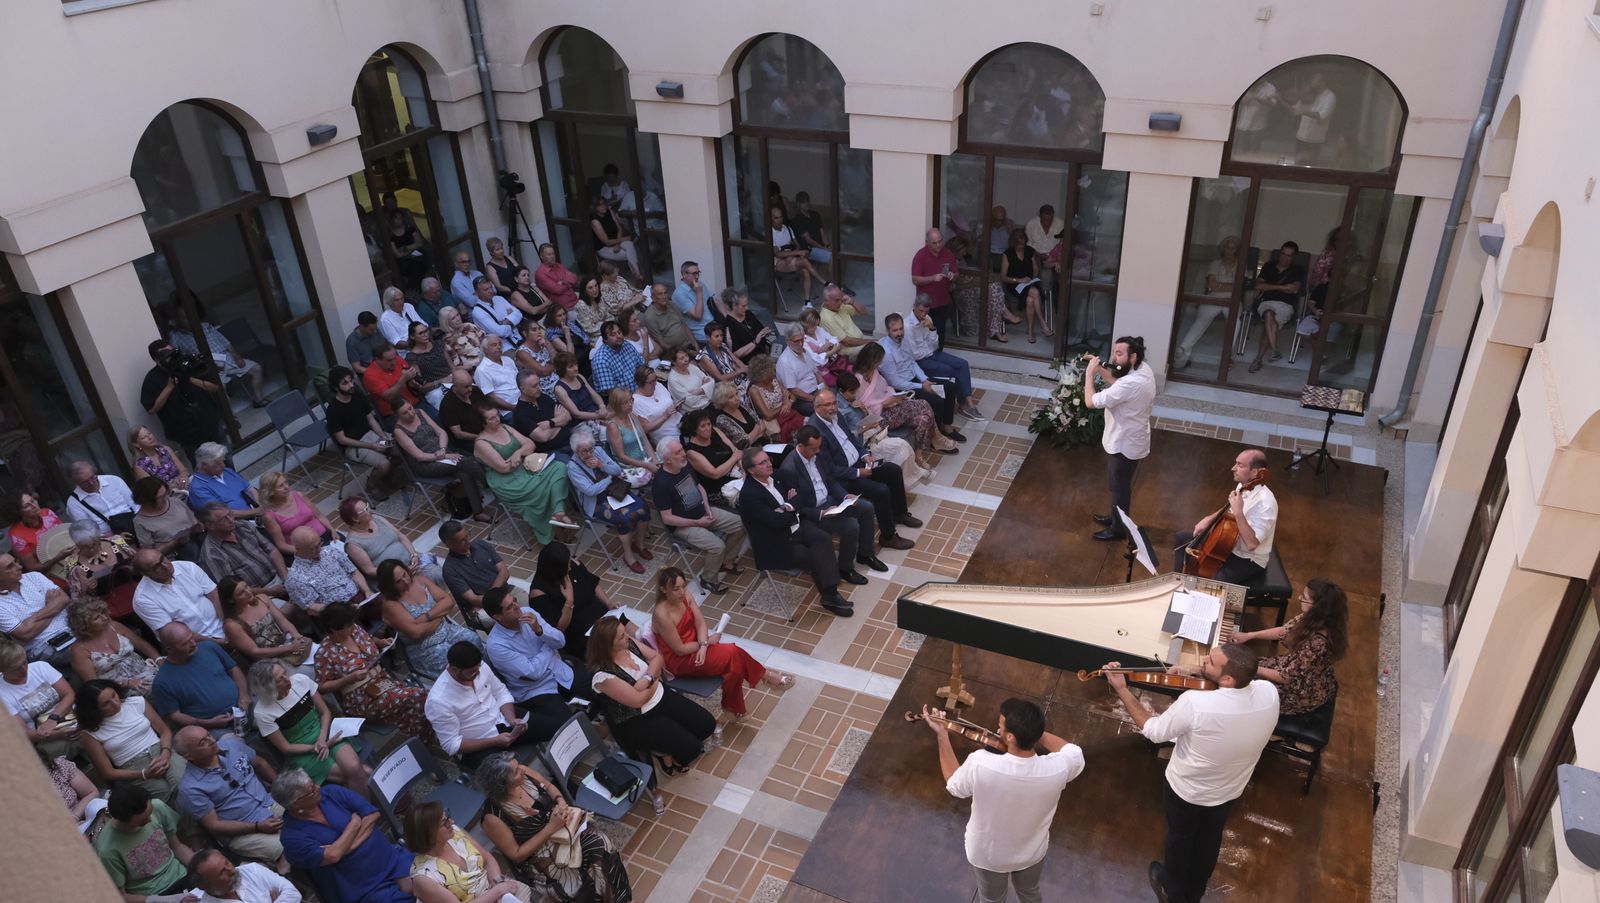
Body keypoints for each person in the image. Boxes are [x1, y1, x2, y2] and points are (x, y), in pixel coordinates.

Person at [1103, 644, 1279, 903]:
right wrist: (1200, 671)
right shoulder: (1269, 693)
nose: (1203, 662)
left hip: (1187, 790)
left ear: (1228, 679)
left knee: (1180, 838)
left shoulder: (1196, 703)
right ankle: (1194, 892)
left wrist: (1122, 689)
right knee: (1209, 839)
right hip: (1230, 789)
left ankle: (1171, 890)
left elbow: (1154, 731)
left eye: (1209, 662)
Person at [923, 698, 1084, 903]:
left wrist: (942, 736)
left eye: (999, 726)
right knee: (1030, 894)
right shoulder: (1058, 768)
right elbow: (1072, 751)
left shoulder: (981, 763)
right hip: (1031, 853)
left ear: (1010, 736)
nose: (995, 729)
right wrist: (1034, 733)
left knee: (992, 900)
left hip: (989, 856)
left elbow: (955, 786)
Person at [474, 752, 634, 901]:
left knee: (601, 844)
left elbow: (549, 787)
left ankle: (618, 897)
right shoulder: (492, 817)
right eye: (515, 772)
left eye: (518, 766)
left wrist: (561, 802)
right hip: (540, 854)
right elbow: (516, 855)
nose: (521, 771)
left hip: (564, 828)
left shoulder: (524, 772)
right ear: (502, 784)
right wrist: (550, 828)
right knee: (577, 881)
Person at [651, 567, 792, 721]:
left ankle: (733, 706)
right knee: (732, 652)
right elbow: (679, 649)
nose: (682, 592)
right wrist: (705, 643)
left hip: (698, 645)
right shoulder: (661, 614)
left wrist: (704, 645)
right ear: (663, 589)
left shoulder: (686, 596)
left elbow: (700, 623)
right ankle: (766, 677)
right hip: (681, 660)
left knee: (734, 664)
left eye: (683, 586)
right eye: (676, 589)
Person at [740, 447, 853, 616]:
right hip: (775, 541)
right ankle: (830, 596)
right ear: (751, 470)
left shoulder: (777, 476)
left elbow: (805, 494)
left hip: (795, 526)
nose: (769, 464)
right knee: (812, 555)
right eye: (762, 463)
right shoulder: (749, 495)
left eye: (768, 459)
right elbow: (775, 522)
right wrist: (793, 506)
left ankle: (830, 595)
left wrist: (787, 506)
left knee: (822, 539)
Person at [273, 770, 415, 903]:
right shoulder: (292, 837)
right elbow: (333, 856)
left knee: (429, 880)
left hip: (390, 858)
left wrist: (343, 848)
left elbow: (372, 814)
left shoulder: (331, 793)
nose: (317, 787)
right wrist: (354, 824)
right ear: (295, 803)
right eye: (311, 790)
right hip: (361, 886)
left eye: (313, 783)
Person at [809, 390, 920, 549]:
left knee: (893, 470)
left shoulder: (837, 416)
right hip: (845, 478)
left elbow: (852, 439)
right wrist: (857, 473)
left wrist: (865, 455)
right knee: (880, 490)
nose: (833, 407)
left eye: (834, 403)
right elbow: (829, 470)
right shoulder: (815, 432)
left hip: (859, 464)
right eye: (828, 405)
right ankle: (888, 536)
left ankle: (899, 513)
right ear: (818, 408)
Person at [776, 424, 885, 576]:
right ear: (801, 446)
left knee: (866, 508)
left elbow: (830, 480)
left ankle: (865, 554)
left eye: (819, 447)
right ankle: (845, 569)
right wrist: (821, 514)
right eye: (814, 448)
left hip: (831, 499)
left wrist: (845, 496)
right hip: (815, 512)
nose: (818, 451)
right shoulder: (789, 469)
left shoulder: (816, 455)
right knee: (851, 526)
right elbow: (796, 506)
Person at [248, 660, 369, 796]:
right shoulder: (262, 712)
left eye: (285, 673)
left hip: (325, 733)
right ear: (268, 687)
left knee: (353, 767)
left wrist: (323, 740)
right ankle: (369, 811)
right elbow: (286, 748)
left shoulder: (301, 680)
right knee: (360, 773)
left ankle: (365, 810)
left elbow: (325, 712)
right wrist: (316, 747)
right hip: (302, 751)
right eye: (279, 680)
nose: (287, 679)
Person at [314, 603, 432, 739]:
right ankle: (431, 738)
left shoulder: (355, 630)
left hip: (384, 682)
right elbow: (322, 687)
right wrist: (350, 678)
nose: (353, 626)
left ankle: (425, 739)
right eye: (349, 625)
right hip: (363, 698)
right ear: (334, 630)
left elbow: (369, 639)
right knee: (420, 697)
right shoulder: (324, 653)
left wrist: (382, 642)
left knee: (415, 708)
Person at [1231, 578, 1348, 715]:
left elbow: (1286, 677)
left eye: (1304, 598)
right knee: (1239, 668)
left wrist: (1252, 668)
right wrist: (1250, 635)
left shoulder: (1318, 643)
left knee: (1239, 684)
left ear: (1317, 606)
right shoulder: (1314, 617)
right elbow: (1285, 631)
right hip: (1294, 669)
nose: (1299, 599)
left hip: (1300, 690)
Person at [175, 726, 286, 867]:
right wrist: (257, 827)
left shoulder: (231, 746)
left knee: (310, 812)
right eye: (202, 742)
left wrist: (283, 790)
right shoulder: (190, 788)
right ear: (188, 756)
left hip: (269, 803)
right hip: (245, 831)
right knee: (288, 846)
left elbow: (260, 763)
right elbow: (214, 825)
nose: (211, 740)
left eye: (208, 735)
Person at [1083, 336, 1158, 541]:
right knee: (1118, 485)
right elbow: (1117, 382)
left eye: (1119, 354)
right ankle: (1115, 517)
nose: (1114, 358)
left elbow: (1090, 401)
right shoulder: (1144, 369)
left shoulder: (1130, 384)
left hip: (1124, 443)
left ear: (1132, 356)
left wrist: (1089, 375)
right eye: (1114, 352)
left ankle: (1118, 528)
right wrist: (1099, 369)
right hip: (1132, 437)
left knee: (1119, 487)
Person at [483, 587, 580, 741]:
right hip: (536, 690)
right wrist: (548, 646)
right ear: (497, 617)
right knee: (567, 726)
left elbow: (560, 641)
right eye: (510, 607)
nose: (517, 606)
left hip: (559, 671)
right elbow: (533, 673)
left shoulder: (528, 612)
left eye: (514, 600)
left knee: (600, 684)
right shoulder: (496, 645)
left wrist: (540, 630)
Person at [652, 439, 745, 595]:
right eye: (678, 452)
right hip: (684, 525)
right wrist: (697, 522)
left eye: (682, 449)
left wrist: (708, 509)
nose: (683, 454)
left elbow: (699, 487)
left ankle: (726, 562)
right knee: (717, 547)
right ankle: (708, 579)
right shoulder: (661, 484)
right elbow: (667, 518)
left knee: (740, 524)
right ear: (667, 459)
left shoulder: (684, 465)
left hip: (703, 513)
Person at [474, 403, 576, 545]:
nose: (497, 419)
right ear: (482, 422)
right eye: (491, 418)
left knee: (559, 467)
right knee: (543, 489)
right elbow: (503, 468)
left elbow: (530, 444)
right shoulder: (481, 443)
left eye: (497, 415)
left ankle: (558, 512)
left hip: (525, 470)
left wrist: (518, 453)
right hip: (507, 481)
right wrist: (522, 454)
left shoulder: (506, 427)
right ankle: (554, 530)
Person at [1173, 449, 1278, 586]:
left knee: (1211, 584)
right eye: (1236, 463)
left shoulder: (1266, 504)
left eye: (1240, 465)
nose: (1233, 468)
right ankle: (1178, 584)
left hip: (1248, 558)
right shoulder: (1244, 484)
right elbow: (1229, 509)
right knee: (1182, 538)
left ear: (1255, 472)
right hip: (1229, 545)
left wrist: (1239, 512)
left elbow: (1252, 544)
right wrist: (1209, 518)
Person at [425, 640, 538, 767]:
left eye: (478, 667)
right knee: (507, 771)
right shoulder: (438, 701)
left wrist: (512, 719)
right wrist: (494, 741)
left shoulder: (480, 667)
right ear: (455, 669)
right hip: (478, 746)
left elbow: (500, 692)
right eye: (472, 671)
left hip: (503, 721)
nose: (478, 672)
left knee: (550, 726)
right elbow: (451, 745)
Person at [75, 678, 186, 801]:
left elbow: (165, 732)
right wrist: (143, 774)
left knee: (181, 783)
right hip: (133, 767)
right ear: (94, 709)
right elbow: (107, 772)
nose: (115, 703)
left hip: (160, 749)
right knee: (164, 795)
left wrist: (165, 753)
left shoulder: (136, 703)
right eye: (106, 703)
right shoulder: (90, 733)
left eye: (114, 695)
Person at [403, 801, 532, 903]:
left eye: (448, 817)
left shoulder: (455, 833)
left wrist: (499, 884)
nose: (452, 822)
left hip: (493, 887)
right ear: (429, 835)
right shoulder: (424, 878)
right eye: (444, 823)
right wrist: (496, 892)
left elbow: (487, 859)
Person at [392, 398, 494, 523]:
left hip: (443, 453)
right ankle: (494, 487)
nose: (411, 413)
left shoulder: (420, 412)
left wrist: (443, 449)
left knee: (464, 472)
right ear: (397, 415)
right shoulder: (399, 431)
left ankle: (478, 513)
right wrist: (442, 456)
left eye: (410, 408)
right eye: (405, 413)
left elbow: (441, 432)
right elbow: (419, 456)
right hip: (426, 464)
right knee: (465, 462)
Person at [95, 782, 197, 903]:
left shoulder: (157, 807)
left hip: (182, 877)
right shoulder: (107, 850)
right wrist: (166, 900)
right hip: (153, 896)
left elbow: (178, 847)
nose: (149, 820)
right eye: (142, 821)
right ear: (123, 820)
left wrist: (201, 864)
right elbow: (122, 896)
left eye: (150, 813)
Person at [380, 559, 481, 681]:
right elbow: (416, 633)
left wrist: (426, 617)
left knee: (472, 638)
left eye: (404, 575)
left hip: (447, 630)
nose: (405, 581)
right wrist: (440, 614)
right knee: (452, 660)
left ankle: (484, 677)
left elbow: (448, 601)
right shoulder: (391, 604)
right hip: (425, 647)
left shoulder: (420, 580)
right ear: (390, 586)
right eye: (398, 581)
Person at [566, 431, 651, 574]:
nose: (588, 453)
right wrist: (608, 479)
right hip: (596, 502)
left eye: (590, 449)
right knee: (625, 518)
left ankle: (640, 544)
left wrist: (601, 465)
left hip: (615, 491)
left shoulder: (598, 451)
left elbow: (617, 470)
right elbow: (590, 490)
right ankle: (628, 556)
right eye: (584, 451)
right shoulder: (572, 467)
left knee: (643, 506)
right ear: (576, 450)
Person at [854, 342, 958, 456]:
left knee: (923, 419)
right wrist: (883, 403)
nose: (880, 363)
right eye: (879, 360)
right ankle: (938, 438)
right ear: (872, 360)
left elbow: (887, 389)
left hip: (891, 409)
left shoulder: (875, 372)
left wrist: (894, 398)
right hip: (878, 418)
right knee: (923, 403)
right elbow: (864, 405)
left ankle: (919, 454)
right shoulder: (858, 379)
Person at [527, 540, 622, 660]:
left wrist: (609, 602)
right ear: (556, 568)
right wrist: (569, 601)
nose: (569, 566)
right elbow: (558, 630)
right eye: (566, 564)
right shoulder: (539, 593)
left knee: (629, 630)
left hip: (602, 615)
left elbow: (593, 584)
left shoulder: (574, 565)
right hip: (581, 635)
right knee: (618, 645)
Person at [141, 337, 227, 465]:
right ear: (156, 359)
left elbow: (215, 387)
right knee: (203, 467)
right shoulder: (152, 379)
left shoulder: (188, 365)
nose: (170, 357)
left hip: (211, 421)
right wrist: (169, 387)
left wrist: (189, 378)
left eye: (171, 352)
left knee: (226, 458)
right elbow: (151, 409)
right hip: (187, 434)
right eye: (165, 354)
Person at [149, 623, 249, 732]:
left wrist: (244, 695)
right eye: (184, 644)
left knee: (268, 716)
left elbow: (233, 669)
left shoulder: (209, 647)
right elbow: (175, 715)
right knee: (232, 747)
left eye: (192, 638)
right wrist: (208, 723)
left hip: (242, 707)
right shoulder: (162, 682)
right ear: (169, 649)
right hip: (211, 727)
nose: (193, 644)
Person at [876, 314, 963, 438]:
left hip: (916, 380)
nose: (899, 333)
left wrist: (925, 380)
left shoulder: (904, 341)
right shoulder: (886, 352)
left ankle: (947, 426)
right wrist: (922, 387)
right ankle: (936, 437)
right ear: (888, 331)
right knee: (936, 399)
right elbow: (895, 382)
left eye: (901, 329)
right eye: (895, 330)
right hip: (902, 388)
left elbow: (913, 363)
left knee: (949, 387)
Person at [900, 297, 984, 420]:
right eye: (921, 311)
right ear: (914, 307)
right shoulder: (907, 326)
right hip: (920, 361)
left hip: (933, 354)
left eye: (926, 312)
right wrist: (929, 350)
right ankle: (963, 405)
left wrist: (932, 328)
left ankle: (968, 404)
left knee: (962, 364)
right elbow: (915, 354)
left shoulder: (927, 319)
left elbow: (935, 345)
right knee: (952, 370)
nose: (923, 315)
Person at [324, 365, 398, 500]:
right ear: (336, 387)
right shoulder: (333, 410)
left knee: (398, 449)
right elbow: (342, 440)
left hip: (370, 435)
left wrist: (383, 436)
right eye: (345, 383)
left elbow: (370, 418)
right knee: (384, 464)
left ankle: (390, 477)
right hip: (354, 446)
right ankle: (372, 484)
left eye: (351, 380)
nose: (351, 385)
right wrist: (371, 446)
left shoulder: (357, 394)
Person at [339, 497, 444, 584]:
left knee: (438, 574)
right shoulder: (353, 544)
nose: (369, 509)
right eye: (365, 510)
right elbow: (369, 570)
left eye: (367, 505)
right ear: (355, 519)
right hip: (394, 578)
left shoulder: (377, 519)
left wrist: (414, 554)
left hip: (412, 563)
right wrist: (400, 571)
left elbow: (400, 535)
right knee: (422, 586)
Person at [1174, 237, 1241, 370]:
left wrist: (1221, 285)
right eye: (1228, 247)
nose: (1230, 251)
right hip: (1214, 297)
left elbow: (1239, 287)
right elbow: (1212, 285)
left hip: (1232, 300)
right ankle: (1183, 350)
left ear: (1237, 250)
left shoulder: (1241, 265)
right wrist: (1229, 286)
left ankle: (1226, 357)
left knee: (1235, 322)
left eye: (1233, 248)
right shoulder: (1215, 264)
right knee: (1202, 319)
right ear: (1223, 248)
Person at [0, 637, 78, 752]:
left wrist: (53, 718)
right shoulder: (2, 694)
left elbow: (69, 694)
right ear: (3, 670)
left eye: (24, 662)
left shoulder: (40, 667)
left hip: (70, 715)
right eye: (15, 668)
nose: (23, 669)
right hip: (43, 735)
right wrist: (55, 735)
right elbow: (25, 733)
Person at [195, 503, 288, 599]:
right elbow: (233, 589)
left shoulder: (244, 526)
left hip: (279, 575)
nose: (231, 520)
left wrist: (284, 576)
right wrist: (269, 591)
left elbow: (271, 550)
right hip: (256, 595)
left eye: (230, 514)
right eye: (223, 519)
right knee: (291, 608)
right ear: (210, 526)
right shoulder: (212, 554)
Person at [220, 577, 312, 673]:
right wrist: (289, 648)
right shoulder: (232, 625)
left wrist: (297, 637)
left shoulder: (262, 599)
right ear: (231, 600)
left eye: (246, 587)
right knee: (307, 671)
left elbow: (284, 622)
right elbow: (255, 652)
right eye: (241, 593)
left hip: (286, 644)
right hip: (268, 663)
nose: (248, 592)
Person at [68, 596, 160, 692]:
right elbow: (95, 686)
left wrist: (158, 659)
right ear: (83, 625)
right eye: (96, 618)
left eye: (103, 612)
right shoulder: (79, 650)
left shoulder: (114, 626)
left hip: (147, 672)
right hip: (118, 690)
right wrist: (127, 683)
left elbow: (142, 644)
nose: (104, 618)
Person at [133, 550, 226, 643]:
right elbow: (174, 634)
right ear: (145, 574)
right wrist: (219, 642)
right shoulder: (142, 599)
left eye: (163, 559)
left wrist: (228, 628)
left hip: (223, 626)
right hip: (194, 644)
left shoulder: (187, 567)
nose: (165, 565)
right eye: (157, 567)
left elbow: (215, 597)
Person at [0, 550, 73, 663]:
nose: (19, 566)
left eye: (16, 561)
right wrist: (51, 606)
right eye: (10, 566)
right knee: (84, 649)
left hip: (74, 629)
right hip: (44, 646)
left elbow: (64, 599)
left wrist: (32, 620)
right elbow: (25, 634)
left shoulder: (34, 577)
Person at [438, 520, 508, 629]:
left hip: (503, 593)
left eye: (467, 535)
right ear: (449, 545)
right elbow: (473, 599)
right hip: (481, 606)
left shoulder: (481, 544)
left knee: (526, 599)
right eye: (461, 540)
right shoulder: (449, 570)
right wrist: (497, 599)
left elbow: (504, 571)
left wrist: (494, 594)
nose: (467, 540)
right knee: (506, 616)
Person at [284, 528, 369, 618]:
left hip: (360, 596)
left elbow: (353, 572)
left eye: (319, 543)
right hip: (338, 614)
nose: (319, 549)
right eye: (313, 548)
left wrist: (367, 590)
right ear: (298, 549)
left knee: (383, 603)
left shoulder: (330, 551)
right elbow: (311, 607)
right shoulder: (295, 578)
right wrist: (343, 610)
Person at [1247, 242, 1305, 373]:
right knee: (1268, 314)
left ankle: (1260, 359)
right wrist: (1283, 287)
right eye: (1283, 254)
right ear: (1280, 253)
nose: (1285, 258)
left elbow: (1294, 289)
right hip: (1266, 302)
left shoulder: (1298, 270)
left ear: (1293, 257)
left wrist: (1270, 286)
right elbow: (1258, 286)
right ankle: (1271, 352)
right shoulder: (1269, 266)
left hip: (1286, 305)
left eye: (1289, 256)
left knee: (1269, 323)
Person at [258, 472, 334, 557]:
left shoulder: (298, 495)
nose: (286, 487)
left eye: (286, 482)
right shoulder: (269, 516)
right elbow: (282, 545)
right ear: (270, 491)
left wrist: (332, 529)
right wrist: (306, 552)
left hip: (324, 536)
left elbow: (319, 515)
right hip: (305, 550)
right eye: (281, 486)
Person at [186, 850, 301, 903]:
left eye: (227, 862)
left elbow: (293, 893)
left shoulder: (251, 870)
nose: (231, 869)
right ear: (206, 886)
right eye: (222, 872)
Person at [133, 476, 204, 560]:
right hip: (176, 556)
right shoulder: (140, 521)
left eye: (165, 494)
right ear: (147, 500)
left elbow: (194, 522)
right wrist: (175, 543)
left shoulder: (174, 501)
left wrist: (198, 527)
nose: (165, 498)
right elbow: (150, 554)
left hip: (198, 543)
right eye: (161, 497)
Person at [911, 228, 961, 344]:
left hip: (943, 301)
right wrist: (932, 278)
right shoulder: (920, 256)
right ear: (927, 242)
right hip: (925, 304)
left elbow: (957, 275)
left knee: (940, 332)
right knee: (923, 332)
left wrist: (952, 276)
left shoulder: (948, 254)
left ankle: (938, 355)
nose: (938, 245)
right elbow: (915, 279)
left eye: (940, 241)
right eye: (934, 243)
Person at [1000, 227, 1050, 342]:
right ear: (1014, 243)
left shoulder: (1029, 251)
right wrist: (1018, 280)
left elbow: (1035, 269)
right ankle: (1043, 323)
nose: (1021, 247)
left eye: (1023, 244)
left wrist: (1031, 278)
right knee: (1035, 292)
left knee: (1030, 300)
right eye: (1018, 245)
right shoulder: (1007, 254)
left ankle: (1031, 332)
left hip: (1030, 282)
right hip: (1015, 284)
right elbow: (1003, 276)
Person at [187, 443, 260, 517]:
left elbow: (250, 489)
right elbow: (221, 514)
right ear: (204, 465)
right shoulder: (198, 488)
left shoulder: (227, 471)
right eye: (218, 463)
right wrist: (255, 512)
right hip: (238, 524)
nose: (223, 465)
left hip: (257, 515)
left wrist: (261, 506)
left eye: (223, 461)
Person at [66, 460, 137, 535]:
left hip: (134, 524)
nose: (91, 483)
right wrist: (115, 539)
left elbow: (135, 505)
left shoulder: (114, 480)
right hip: (108, 538)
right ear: (76, 482)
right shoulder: (73, 503)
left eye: (92, 477)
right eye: (85, 482)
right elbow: (87, 532)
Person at [681, 408, 740, 499]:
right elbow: (715, 474)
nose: (708, 428)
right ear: (695, 429)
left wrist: (741, 465)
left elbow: (735, 451)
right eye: (703, 426)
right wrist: (734, 458)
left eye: (709, 424)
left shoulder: (715, 431)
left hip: (735, 473)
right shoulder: (692, 452)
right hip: (718, 487)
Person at [510, 370, 573, 454]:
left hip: (571, 439)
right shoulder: (519, 414)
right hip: (552, 452)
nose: (539, 388)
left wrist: (551, 423)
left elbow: (568, 416)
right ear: (523, 389)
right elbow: (543, 437)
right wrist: (560, 421)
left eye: (539, 383)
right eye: (534, 386)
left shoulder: (543, 397)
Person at [771, 205, 826, 301]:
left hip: (791, 259)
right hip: (779, 263)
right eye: (776, 218)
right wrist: (796, 253)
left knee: (805, 270)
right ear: (771, 218)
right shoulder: (769, 233)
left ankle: (807, 302)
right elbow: (778, 254)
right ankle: (824, 282)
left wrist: (792, 254)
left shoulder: (787, 228)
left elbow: (797, 245)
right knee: (804, 261)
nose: (779, 220)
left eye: (780, 217)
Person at [4, 488, 66, 573]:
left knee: (86, 570)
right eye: (26, 506)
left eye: (33, 500)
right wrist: (58, 558)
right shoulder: (16, 535)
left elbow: (67, 536)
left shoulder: (47, 513)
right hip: (52, 571)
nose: (34, 505)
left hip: (71, 558)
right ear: (18, 512)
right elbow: (33, 567)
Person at [750, 352, 805, 442]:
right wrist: (784, 405)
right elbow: (768, 415)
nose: (773, 372)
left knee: (807, 428)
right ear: (762, 374)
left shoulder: (773, 379)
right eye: (770, 371)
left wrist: (789, 402)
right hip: (777, 422)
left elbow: (791, 395)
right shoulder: (754, 390)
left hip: (790, 413)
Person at [363, 343, 424, 423]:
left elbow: (412, 381)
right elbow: (389, 396)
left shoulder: (397, 359)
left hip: (416, 402)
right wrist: (402, 380)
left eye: (394, 357)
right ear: (377, 359)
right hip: (396, 414)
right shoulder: (370, 375)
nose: (394, 362)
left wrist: (413, 382)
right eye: (389, 360)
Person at [403, 319, 454, 409]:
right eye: (421, 333)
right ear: (413, 337)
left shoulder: (438, 345)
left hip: (452, 379)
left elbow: (453, 367)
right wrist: (441, 381)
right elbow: (421, 387)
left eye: (426, 331)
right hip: (435, 389)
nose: (425, 335)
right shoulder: (412, 358)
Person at [439, 367, 492, 454]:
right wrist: (482, 437)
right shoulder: (447, 404)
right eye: (466, 387)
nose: (470, 389)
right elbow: (458, 434)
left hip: (488, 430)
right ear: (455, 385)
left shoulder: (475, 391)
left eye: (471, 385)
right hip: (470, 440)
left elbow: (489, 410)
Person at [591, 198, 643, 284]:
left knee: (630, 245)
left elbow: (619, 228)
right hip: (604, 247)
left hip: (616, 242)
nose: (603, 206)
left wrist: (618, 244)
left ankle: (638, 275)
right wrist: (625, 238)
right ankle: (639, 277)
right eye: (600, 205)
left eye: (604, 204)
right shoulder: (595, 221)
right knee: (629, 254)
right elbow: (606, 241)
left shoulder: (609, 211)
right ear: (595, 208)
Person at [590, 319, 648, 396]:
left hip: (639, 390)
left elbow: (642, 366)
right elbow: (613, 394)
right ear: (605, 340)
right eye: (613, 335)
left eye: (619, 332)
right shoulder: (601, 361)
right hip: (623, 400)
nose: (619, 336)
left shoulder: (626, 345)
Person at [128, 424, 193, 491]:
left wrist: (183, 478)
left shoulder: (165, 449)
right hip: (167, 496)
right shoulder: (139, 466)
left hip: (184, 485)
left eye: (149, 433)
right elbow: (153, 490)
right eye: (144, 437)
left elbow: (183, 470)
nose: (150, 438)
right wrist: (171, 486)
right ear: (136, 444)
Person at [716, 288, 773, 363]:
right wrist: (755, 341)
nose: (747, 308)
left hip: (763, 353)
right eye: (743, 306)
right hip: (751, 362)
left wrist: (764, 332)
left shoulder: (747, 313)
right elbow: (735, 354)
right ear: (734, 306)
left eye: (747, 305)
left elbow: (759, 329)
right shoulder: (728, 326)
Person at [631, 364, 682, 446]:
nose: (655, 384)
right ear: (641, 384)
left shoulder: (659, 386)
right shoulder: (636, 401)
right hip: (667, 436)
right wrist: (665, 416)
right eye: (651, 382)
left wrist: (676, 406)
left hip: (681, 423)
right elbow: (645, 429)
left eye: (655, 379)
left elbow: (670, 402)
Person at [818, 285, 873, 360]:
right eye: (836, 300)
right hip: (848, 352)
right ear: (826, 300)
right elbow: (847, 342)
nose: (840, 302)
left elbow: (864, 312)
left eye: (841, 299)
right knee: (877, 348)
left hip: (858, 343)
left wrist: (852, 301)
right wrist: (871, 341)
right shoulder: (826, 318)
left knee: (884, 345)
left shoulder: (840, 306)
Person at [774, 326, 821, 415]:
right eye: (796, 341)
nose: (800, 344)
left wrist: (823, 388)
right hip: (802, 398)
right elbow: (793, 390)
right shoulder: (785, 362)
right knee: (824, 409)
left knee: (832, 400)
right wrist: (814, 399)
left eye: (802, 340)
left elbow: (816, 372)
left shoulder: (804, 351)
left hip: (816, 390)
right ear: (788, 342)